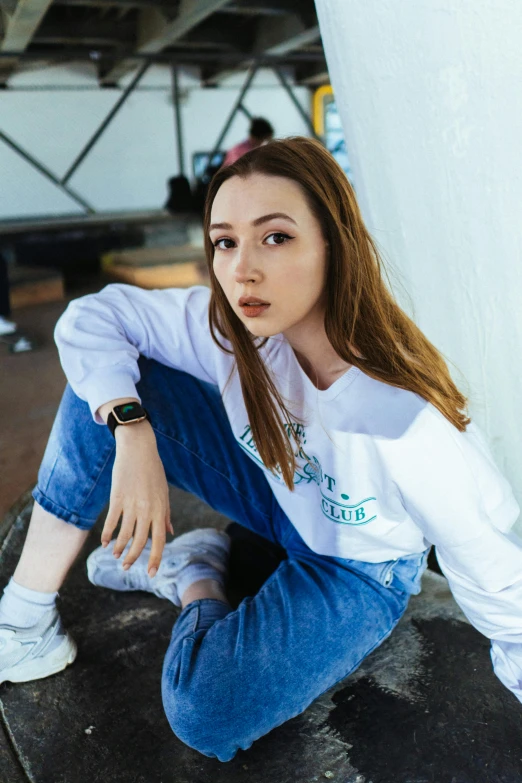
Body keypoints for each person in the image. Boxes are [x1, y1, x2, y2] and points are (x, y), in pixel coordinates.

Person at [0, 137, 521, 762]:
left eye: (275, 238)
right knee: (107, 393)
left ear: (334, 241)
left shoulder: (405, 422)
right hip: (280, 492)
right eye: (225, 241)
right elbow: (95, 317)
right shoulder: (234, 329)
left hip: (355, 562)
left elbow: (495, 576)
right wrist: (133, 429)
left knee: (206, 710)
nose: (242, 269)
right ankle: (24, 622)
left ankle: (195, 572)